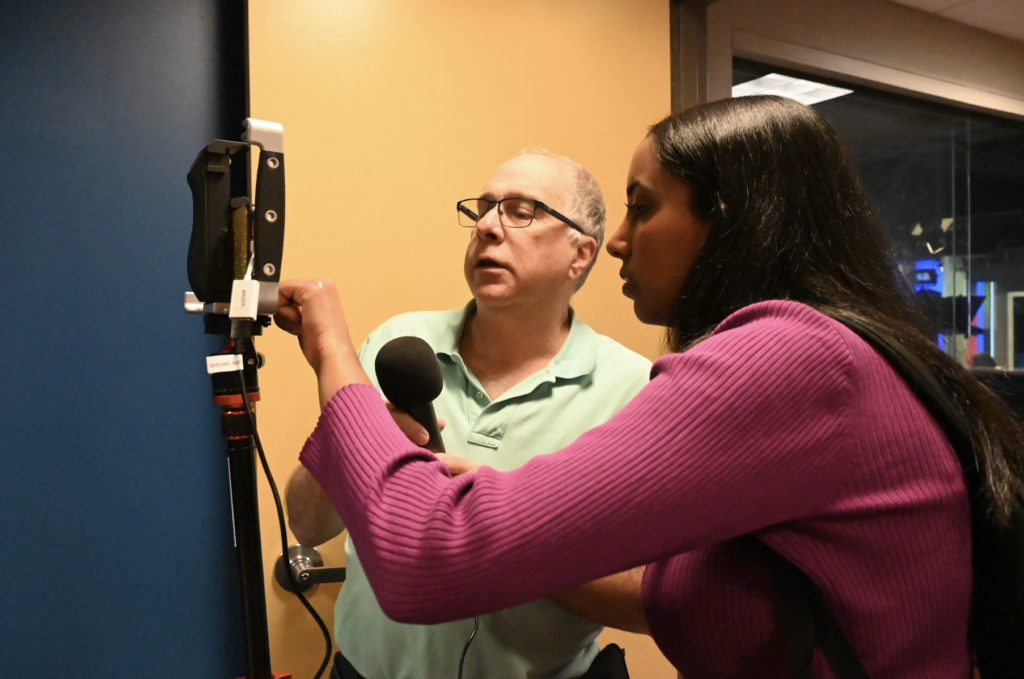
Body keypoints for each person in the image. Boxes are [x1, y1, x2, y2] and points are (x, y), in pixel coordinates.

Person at [276, 96, 1024, 678]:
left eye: (641, 205)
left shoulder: (787, 362)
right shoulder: (834, 354)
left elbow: (425, 556)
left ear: (728, 219)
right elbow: (689, 589)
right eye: (484, 209)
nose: (625, 241)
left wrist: (331, 346)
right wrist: (524, 528)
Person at [283, 150, 652, 679]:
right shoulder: (397, 343)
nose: (485, 227)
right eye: (483, 208)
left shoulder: (632, 389)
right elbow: (306, 523)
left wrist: (507, 524)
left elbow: (645, 600)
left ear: (581, 254)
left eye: (521, 210)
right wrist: (354, 446)